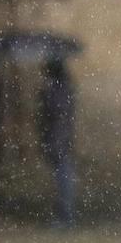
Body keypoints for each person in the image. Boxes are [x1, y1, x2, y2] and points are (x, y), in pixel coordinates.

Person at [38, 59, 78, 228]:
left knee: (63, 176)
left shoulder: (56, 90)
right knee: (63, 175)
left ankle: (64, 216)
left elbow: (53, 113)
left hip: (57, 138)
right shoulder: (65, 88)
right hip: (61, 137)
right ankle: (64, 214)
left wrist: (44, 98)